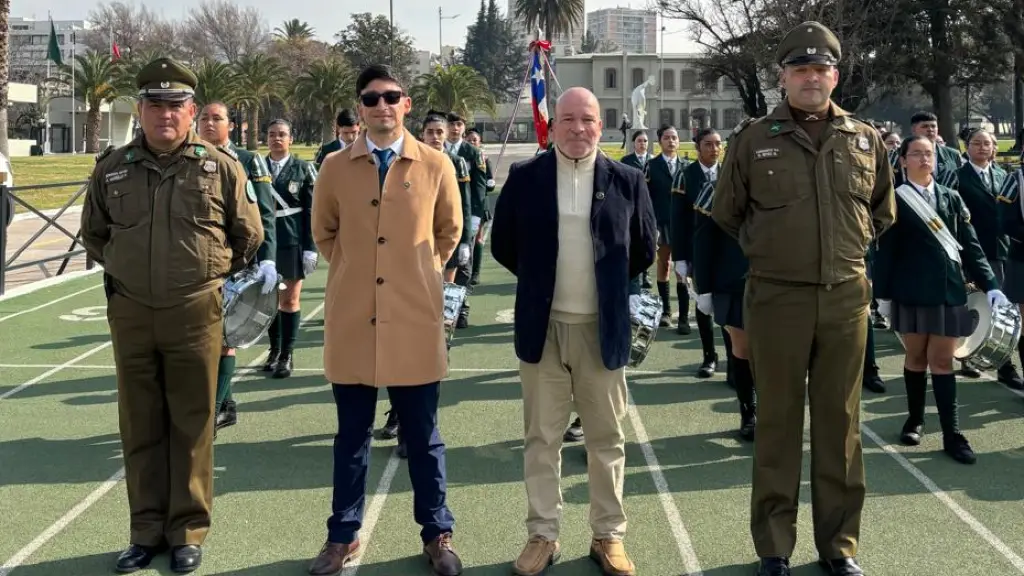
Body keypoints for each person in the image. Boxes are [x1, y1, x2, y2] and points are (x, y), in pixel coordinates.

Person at [711, 22, 896, 576]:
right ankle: (774, 547)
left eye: (821, 69)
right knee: (778, 422)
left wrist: (843, 254)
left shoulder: (863, 138)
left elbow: (882, 212)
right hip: (776, 299)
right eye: (800, 69)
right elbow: (728, 211)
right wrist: (774, 253)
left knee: (840, 426)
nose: (811, 78)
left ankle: (839, 546)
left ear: (834, 75)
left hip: (845, 299)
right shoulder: (752, 139)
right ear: (783, 77)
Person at [80, 57, 263, 574]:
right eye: (155, 104)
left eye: (176, 105)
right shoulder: (112, 167)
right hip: (132, 312)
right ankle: (144, 531)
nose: (165, 114)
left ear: (192, 112)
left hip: (195, 312)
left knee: (193, 423)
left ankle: (186, 530)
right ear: (139, 110)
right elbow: (94, 234)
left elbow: (248, 235)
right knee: (140, 424)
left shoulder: (220, 166)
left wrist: (208, 276)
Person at [490, 86, 657, 576]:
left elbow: (644, 247)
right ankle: (542, 535)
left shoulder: (628, 180)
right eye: (568, 120)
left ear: (601, 127)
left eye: (588, 120)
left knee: (606, 438)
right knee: (542, 438)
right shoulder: (525, 178)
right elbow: (504, 245)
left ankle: (608, 535)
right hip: (544, 330)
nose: (578, 129)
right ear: (554, 125)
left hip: (600, 329)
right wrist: (544, 284)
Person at [308, 64, 464, 576]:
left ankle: (437, 533)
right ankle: (341, 536)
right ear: (360, 108)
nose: (381, 106)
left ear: (407, 103)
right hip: (354, 319)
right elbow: (325, 234)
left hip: (415, 319)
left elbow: (449, 233)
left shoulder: (436, 164)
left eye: (390, 97)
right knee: (350, 438)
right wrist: (360, 273)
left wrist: (414, 274)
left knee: (423, 437)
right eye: (370, 99)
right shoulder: (334, 167)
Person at [874, 135, 1007, 465]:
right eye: (916, 154)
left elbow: (970, 246)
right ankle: (915, 419)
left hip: (949, 290)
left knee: (944, 362)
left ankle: (952, 433)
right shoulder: (894, 199)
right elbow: (885, 253)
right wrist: (883, 297)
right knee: (916, 358)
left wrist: (991, 285)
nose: (924, 159)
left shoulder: (950, 197)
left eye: (929, 154)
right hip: (911, 291)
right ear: (902, 160)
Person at [197, 101, 278, 434]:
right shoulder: (189, 156)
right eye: (204, 118)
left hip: (234, 261)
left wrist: (268, 258)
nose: (210, 123)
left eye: (217, 118)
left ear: (230, 125)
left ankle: (213, 413)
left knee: (226, 335)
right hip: (197, 264)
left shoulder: (246, 160)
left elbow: (265, 212)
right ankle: (226, 402)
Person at [690, 127, 754, 439]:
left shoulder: (780, 187)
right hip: (733, 282)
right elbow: (703, 243)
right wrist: (703, 289)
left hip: (779, 281)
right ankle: (749, 412)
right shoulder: (715, 189)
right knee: (742, 349)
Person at [954, 128, 1024, 388]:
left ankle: (1005, 365)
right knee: (974, 303)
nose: (982, 148)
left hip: (1005, 249)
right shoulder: (958, 177)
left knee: (1005, 309)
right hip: (974, 249)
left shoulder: (1003, 176)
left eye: (987, 144)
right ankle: (967, 354)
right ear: (967, 147)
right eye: (977, 143)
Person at [262, 119, 318, 378]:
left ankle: (287, 354)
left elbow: (312, 211)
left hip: (291, 239)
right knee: (267, 300)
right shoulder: (257, 165)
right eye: (272, 134)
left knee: (289, 299)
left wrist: (310, 247)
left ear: (291, 139)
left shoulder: (303, 168)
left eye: (282, 134)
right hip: (263, 242)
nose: (276, 139)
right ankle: (274, 349)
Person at [672, 127, 723, 376]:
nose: (714, 149)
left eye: (717, 144)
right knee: (703, 303)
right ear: (697, 147)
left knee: (727, 303)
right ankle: (708, 356)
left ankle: (733, 359)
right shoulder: (685, 175)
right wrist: (679, 257)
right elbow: (678, 220)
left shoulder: (729, 174)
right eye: (708, 144)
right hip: (698, 251)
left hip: (726, 252)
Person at [644, 124, 687, 329]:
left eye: (674, 137)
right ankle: (666, 312)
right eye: (667, 138)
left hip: (682, 223)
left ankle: (685, 317)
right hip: (661, 222)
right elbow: (644, 196)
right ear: (660, 141)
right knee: (664, 264)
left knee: (682, 267)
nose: (671, 141)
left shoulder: (687, 166)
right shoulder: (651, 166)